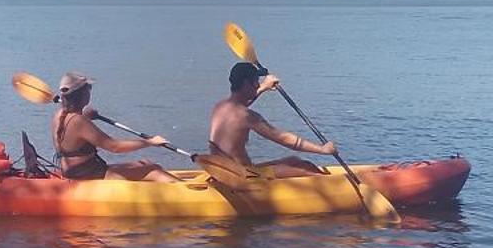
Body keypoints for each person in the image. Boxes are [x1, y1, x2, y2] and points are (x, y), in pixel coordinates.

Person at [207, 62, 338, 178]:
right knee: (306, 169)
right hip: (244, 176)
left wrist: (263, 87)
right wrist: (322, 150)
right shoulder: (247, 116)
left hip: (222, 171)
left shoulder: (221, 107)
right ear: (247, 83)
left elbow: (240, 106)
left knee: (293, 160)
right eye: (256, 81)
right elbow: (284, 139)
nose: (257, 84)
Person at [50, 72, 178, 182]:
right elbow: (114, 147)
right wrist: (150, 142)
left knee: (146, 163)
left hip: (79, 171)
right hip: (89, 174)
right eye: (89, 88)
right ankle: (192, 194)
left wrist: (87, 116)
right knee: (153, 170)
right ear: (82, 94)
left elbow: (73, 135)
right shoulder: (79, 121)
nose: (90, 92)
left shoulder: (59, 116)